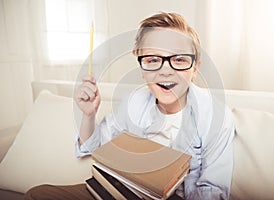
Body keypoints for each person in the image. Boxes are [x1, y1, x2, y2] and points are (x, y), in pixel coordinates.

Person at [25, 12, 234, 200]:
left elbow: (213, 190)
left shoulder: (216, 116)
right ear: (142, 69)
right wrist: (88, 115)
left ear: (195, 68)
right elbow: (95, 147)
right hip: (119, 190)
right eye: (153, 60)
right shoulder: (135, 103)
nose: (165, 71)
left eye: (179, 60)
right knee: (38, 194)